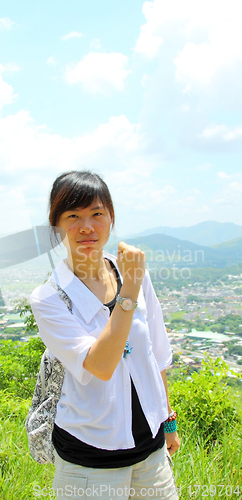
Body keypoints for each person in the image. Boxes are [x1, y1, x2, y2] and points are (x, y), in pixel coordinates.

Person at [30, 170, 180, 500]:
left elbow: (156, 350)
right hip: (89, 462)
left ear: (111, 218)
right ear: (56, 227)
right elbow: (100, 365)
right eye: (73, 216)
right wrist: (129, 293)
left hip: (152, 451)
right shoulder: (49, 298)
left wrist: (168, 422)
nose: (87, 227)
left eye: (97, 214)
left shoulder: (131, 272)